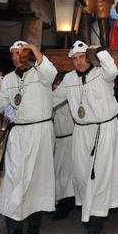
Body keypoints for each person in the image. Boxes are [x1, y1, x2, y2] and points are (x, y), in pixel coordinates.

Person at [52, 41, 118, 234]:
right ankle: (88, 210)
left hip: (104, 128)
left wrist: (100, 51)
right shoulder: (69, 79)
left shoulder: (102, 73)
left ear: (89, 57)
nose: (78, 62)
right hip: (81, 132)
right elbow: (51, 99)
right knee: (82, 175)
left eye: (82, 57)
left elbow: (113, 70)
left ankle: (96, 222)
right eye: (74, 59)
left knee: (100, 175)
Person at [0, 41, 57, 234]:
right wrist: (8, 113)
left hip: (40, 131)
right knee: (13, 179)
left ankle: (34, 222)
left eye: (20, 53)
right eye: (13, 53)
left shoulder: (41, 74)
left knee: (37, 178)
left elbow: (51, 73)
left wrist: (35, 50)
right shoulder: (8, 79)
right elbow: (3, 105)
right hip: (18, 133)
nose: (16, 57)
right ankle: (13, 229)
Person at [51, 73, 75, 220]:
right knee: (59, 175)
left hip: (70, 139)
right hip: (58, 141)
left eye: (57, 83)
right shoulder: (51, 97)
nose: (55, 86)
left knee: (69, 175)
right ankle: (62, 203)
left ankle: (66, 205)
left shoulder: (67, 95)